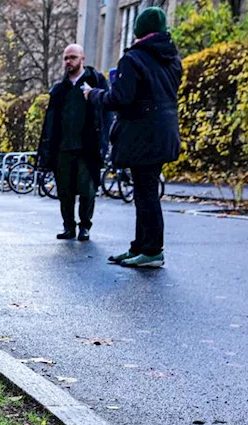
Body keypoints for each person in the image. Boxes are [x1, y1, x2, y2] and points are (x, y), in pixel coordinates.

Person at [85, 7, 182, 268]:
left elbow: (120, 99)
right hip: (165, 132)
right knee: (144, 190)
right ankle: (140, 246)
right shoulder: (172, 59)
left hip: (142, 134)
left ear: (139, 29)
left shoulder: (134, 59)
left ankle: (151, 250)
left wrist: (94, 94)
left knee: (146, 192)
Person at [36, 44, 110, 242]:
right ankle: (68, 226)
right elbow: (50, 121)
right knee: (65, 191)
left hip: (87, 147)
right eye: (66, 58)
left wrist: (104, 141)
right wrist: (47, 148)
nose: (69, 61)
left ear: (82, 58)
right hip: (63, 148)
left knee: (87, 190)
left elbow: (106, 112)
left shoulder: (96, 82)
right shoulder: (59, 89)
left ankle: (85, 226)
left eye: (73, 57)